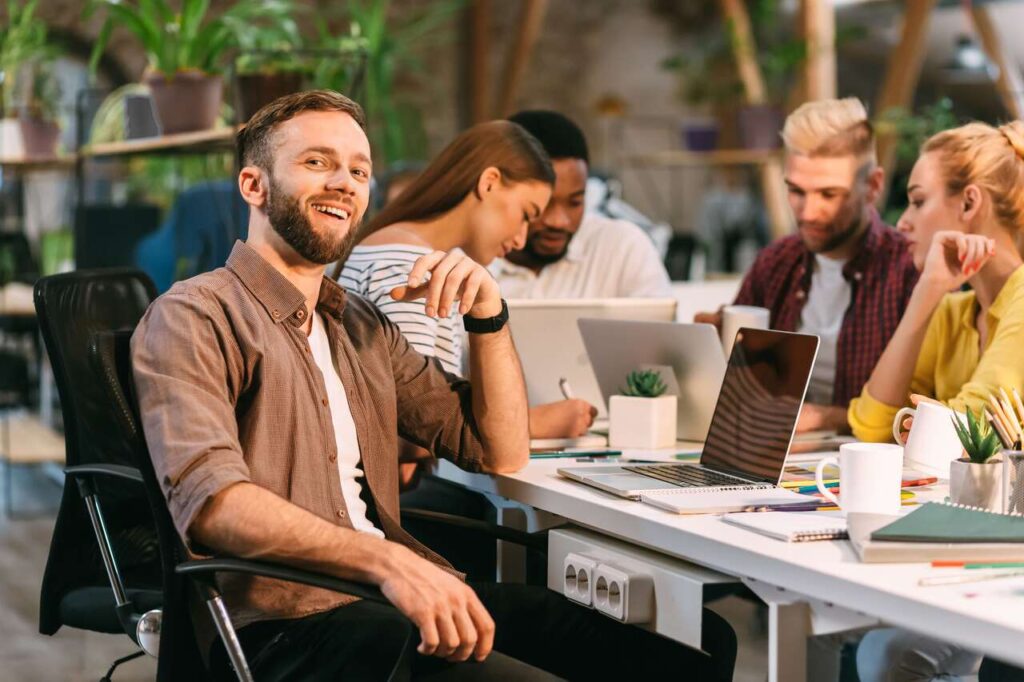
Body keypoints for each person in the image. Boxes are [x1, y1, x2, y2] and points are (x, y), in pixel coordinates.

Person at [131, 90, 736, 681]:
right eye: (317, 162)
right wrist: (388, 560)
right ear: (254, 186)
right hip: (287, 625)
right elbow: (213, 504)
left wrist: (488, 314)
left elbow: (499, 450)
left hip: (386, 599)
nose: (343, 181)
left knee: (698, 648)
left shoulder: (358, 326)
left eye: (358, 170)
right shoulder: (196, 315)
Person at [852, 121, 1024, 681]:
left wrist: (916, 430)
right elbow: (873, 427)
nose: (901, 222)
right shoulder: (954, 312)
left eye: (919, 200)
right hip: (963, 540)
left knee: (881, 654)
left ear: (970, 202)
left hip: (1005, 559)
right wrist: (927, 293)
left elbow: (965, 431)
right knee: (860, 643)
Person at [338, 121, 598, 441]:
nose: (520, 240)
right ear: (489, 182)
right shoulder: (409, 263)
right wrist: (530, 423)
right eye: (526, 214)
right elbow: (409, 427)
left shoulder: (408, 251)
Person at [695, 98, 918, 434]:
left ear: (872, 185)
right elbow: (741, 388)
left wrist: (828, 418)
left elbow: (926, 409)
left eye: (829, 194)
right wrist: (710, 352)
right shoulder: (775, 263)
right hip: (772, 456)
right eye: (796, 191)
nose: (808, 212)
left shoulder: (909, 271)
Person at [490, 109, 673, 299]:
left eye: (575, 202)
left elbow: (663, 327)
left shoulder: (622, 247)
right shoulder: (469, 260)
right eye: (542, 205)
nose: (559, 221)